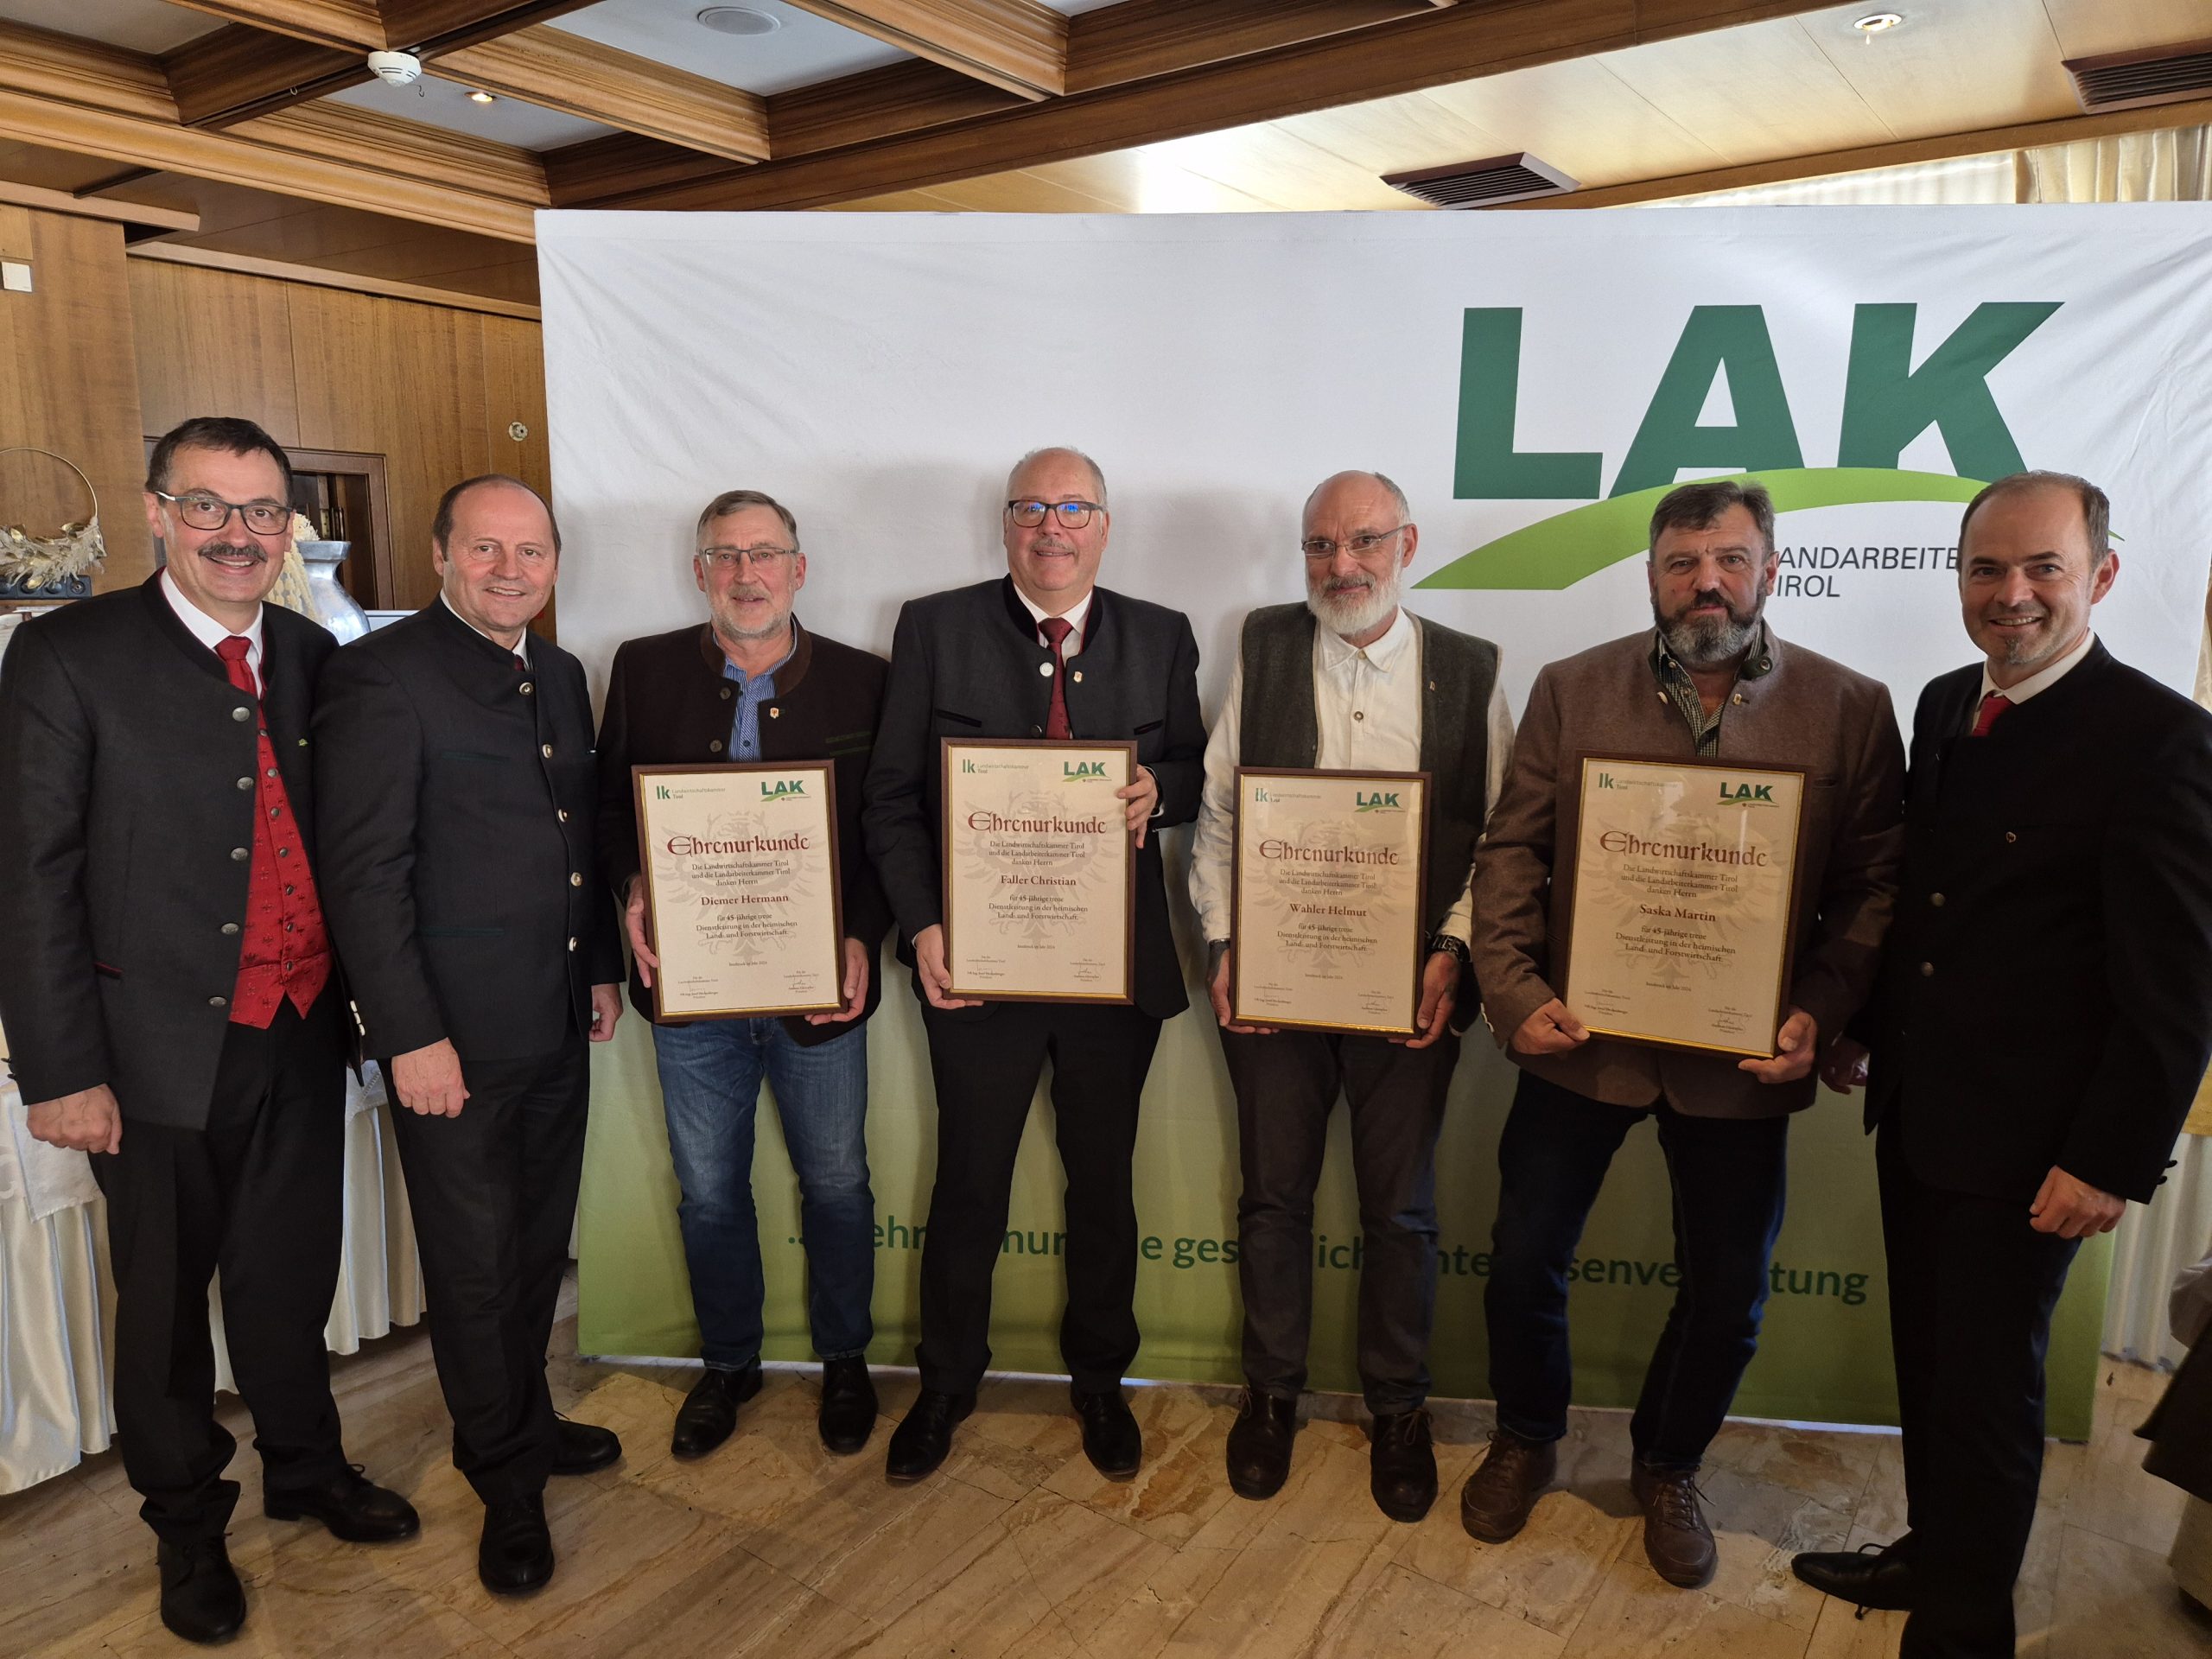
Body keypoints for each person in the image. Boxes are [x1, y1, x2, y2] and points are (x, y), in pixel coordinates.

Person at [0, 417, 416, 1644]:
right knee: (168, 1309)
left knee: (290, 1276)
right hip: (150, 1053)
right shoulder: (67, 654)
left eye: (261, 511)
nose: (237, 534)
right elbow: (30, 874)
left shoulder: (315, 652)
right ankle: (187, 1526)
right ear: (155, 512)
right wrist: (62, 1069)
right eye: (208, 507)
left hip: (301, 1026)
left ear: (289, 528)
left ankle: (306, 1467)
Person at [1791, 471, 2212, 1656]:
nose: (2010, 594)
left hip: (2037, 1151)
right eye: (1986, 569)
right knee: (1931, 1366)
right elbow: (1928, 902)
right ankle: (1935, 1555)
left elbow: (2177, 989)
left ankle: (1963, 1628)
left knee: (1986, 1395)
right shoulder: (1944, 704)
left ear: (2101, 577)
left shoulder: (2163, 741)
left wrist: (2108, 1162)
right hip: (1921, 1114)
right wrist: (1860, 1026)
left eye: (2043, 569)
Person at [1466, 478, 1904, 1589]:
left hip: (1741, 1059)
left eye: (1728, 559)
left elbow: (1873, 888)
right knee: (1522, 1261)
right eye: (1681, 563)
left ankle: (1667, 1464)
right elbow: (1511, 853)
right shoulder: (1571, 689)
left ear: (1770, 569)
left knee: (1727, 1293)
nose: (1705, 582)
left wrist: (1821, 1009)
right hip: (1580, 1040)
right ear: (1651, 576)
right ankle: (1526, 1434)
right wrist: (1513, 993)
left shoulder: (1851, 707)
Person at [861, 447, 1205, 1483]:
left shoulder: (1162, 632)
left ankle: (1100, 1381)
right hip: (976, 968)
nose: (1051, 527)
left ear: (1104, 525)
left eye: (1073, 508)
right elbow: (890, 796)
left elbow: (1195, 766)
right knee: (971, 1181)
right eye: (1030, 508)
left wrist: (1161, 788)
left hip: (1112, 974)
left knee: (1103, 1184)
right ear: (1005, 524)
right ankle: (946, 1383)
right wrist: (924, 925)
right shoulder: (934, 627)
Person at [313, 474, 625, 1597]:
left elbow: (577, 835)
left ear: (554, 564)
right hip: (452, 1042)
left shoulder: (561, 672)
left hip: (553, 1016)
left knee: (536, 1247)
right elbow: (364, 876)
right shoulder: (382, 675)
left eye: (530, 551)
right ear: (442, 555)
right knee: (475, 1270)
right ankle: (504, 1480)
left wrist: (597, 967)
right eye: (485, 549)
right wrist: (410, 1036)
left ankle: (525, 1421)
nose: (509, 570)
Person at [1186, 470, 1511, 1522]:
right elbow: (1220, 812)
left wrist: (1452, 952)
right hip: (1274, 987)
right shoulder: (1264, 645)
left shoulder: (1470, 668)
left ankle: (1398, 1410)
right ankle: (1271, 1395)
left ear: (1406, 546)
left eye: (1363, 541)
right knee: (1272, 1201)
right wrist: (1224, 939)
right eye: (1321, 545)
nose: (1341, 565)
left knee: (1401, 1214)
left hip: (1409, 993)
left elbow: (1501, 841)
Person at [595, 489, 892, 1461]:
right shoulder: (641, 669)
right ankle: (729, 1363)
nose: (746, 573)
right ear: (700, 573)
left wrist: (864, 931)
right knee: (710, 1191)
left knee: (837, 1183)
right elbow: (608, 808)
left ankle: (844, 1360)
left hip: (820, 993)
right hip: (692, 994)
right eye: (725, 556)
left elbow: (890, 825)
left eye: (764, 554)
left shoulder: (865, 680)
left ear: (799, 570)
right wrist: (634, 881)